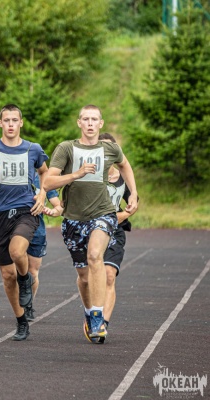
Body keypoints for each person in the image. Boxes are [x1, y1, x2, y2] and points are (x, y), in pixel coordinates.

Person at [43, 105, 138, 341]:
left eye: (94, 119)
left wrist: (133, 193)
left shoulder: (110, 148)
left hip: (103, 213)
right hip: (74, 220)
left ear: (101, 123)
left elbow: (125, 165)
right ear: (79, 123)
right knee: (84, 277)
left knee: (95, 255)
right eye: (85, 119)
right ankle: (89, 312)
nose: (90, 123)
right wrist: (76, 174)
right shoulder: (66, 148)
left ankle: (98, 316)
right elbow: (48, 182)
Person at [0, 104, 49, 341]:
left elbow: (45, 173)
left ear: (21, 123)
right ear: (0, 123)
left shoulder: (33, 149)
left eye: (15, 120)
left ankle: (25, 279)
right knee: (7, 275)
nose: (11, 124)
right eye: (7, 120)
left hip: (26, 210)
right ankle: (21, 320)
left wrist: (42, 194)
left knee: (17, 252)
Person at [91, 132, 138, 344]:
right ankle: (92, 313)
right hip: (91, 230)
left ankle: (102, 324)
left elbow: (132, 204)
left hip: (114, 231)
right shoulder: (90, 176)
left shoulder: (123, 178)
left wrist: (122, 214)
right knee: (88, 277)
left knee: (109, 275)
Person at [25, 174, 63, 321]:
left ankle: (28, 305)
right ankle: (20, 302)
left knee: (32, 272)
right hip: (13, 229)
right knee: (16, 272)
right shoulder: (14, 176)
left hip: (37, 231)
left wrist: (52, 211)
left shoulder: (44, 180)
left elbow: (58, 207)